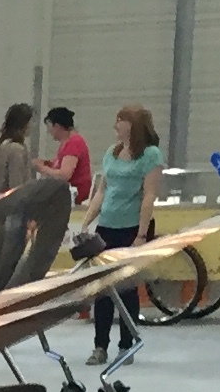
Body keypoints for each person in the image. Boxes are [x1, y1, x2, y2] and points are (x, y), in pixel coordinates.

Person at [78, 103, 164, 366]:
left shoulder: (150, 155)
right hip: (107, 226)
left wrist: (141, 234)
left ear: (133, 125)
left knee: (127, 289)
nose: (115, 125)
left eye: (120, 120)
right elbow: (102, 190)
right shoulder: (112, 152)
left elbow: (149, 195)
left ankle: (127, 344)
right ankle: (100, 345)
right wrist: (87, 221)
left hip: (131, 228)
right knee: (103, 289)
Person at [0, 101, 39, 197]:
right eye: (31, 121)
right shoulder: (16, 149)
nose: (33, 125)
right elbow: (16, 185)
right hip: (4, 202)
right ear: (23, 124)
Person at [38, 104, 93, 209]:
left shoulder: (73, 143)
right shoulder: (66, 142)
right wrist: (47, 164)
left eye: (50, 127)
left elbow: (64, 175)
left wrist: (42, 169)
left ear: (57, 127)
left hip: (75, 195)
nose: (49, 132)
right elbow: (60, 164)